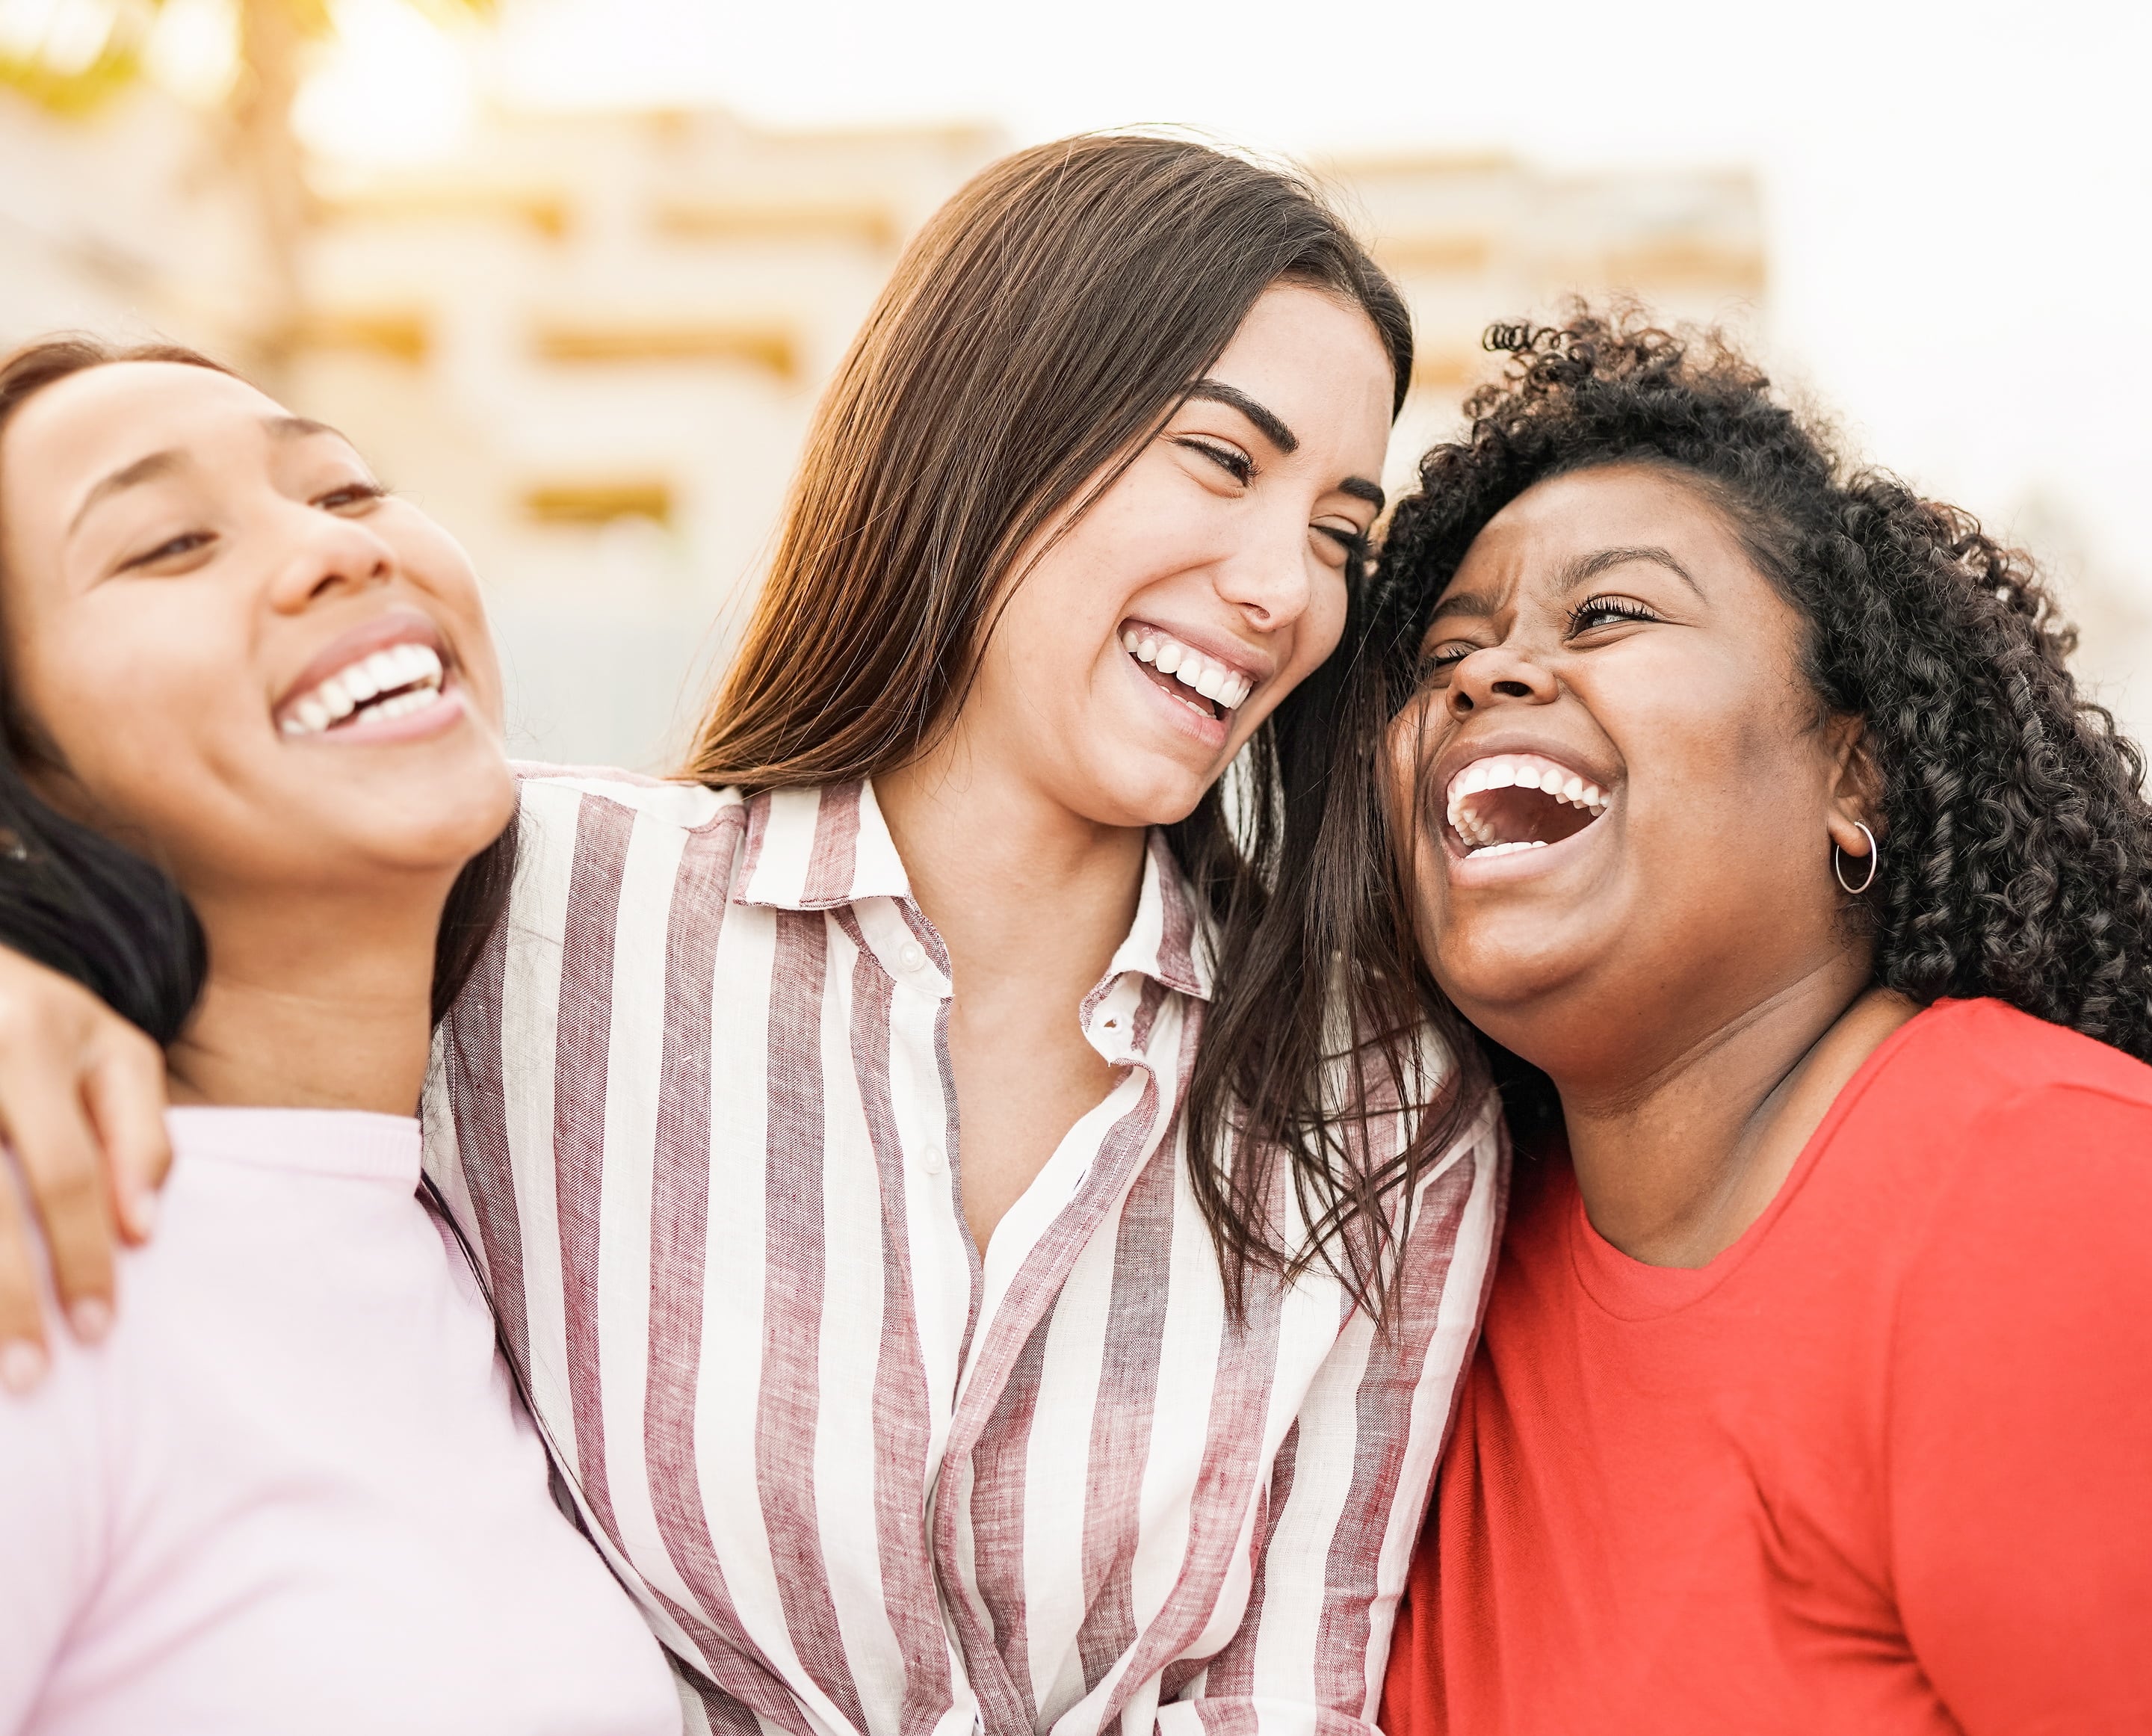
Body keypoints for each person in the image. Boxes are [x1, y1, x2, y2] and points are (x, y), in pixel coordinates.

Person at [0, 138, 1500, 1736]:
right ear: (994, 425)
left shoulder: (1381, 1100)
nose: (1283, 586)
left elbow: (1292, 1693)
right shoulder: (532, 908)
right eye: (1220, 460)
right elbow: (242, 928)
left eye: (1341, 531)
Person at [1348, 313, 2152, 1734]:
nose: (1486, 676)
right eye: (1446, 650)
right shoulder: (1434, 1266)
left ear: (1855, 772)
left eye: (1609, 615)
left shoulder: (2066, 1216)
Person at [0, 338, 683, 1734]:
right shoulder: (45, 1247)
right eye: (169, 543)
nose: (331, 552)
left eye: (347, 490)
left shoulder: (466, 1227)